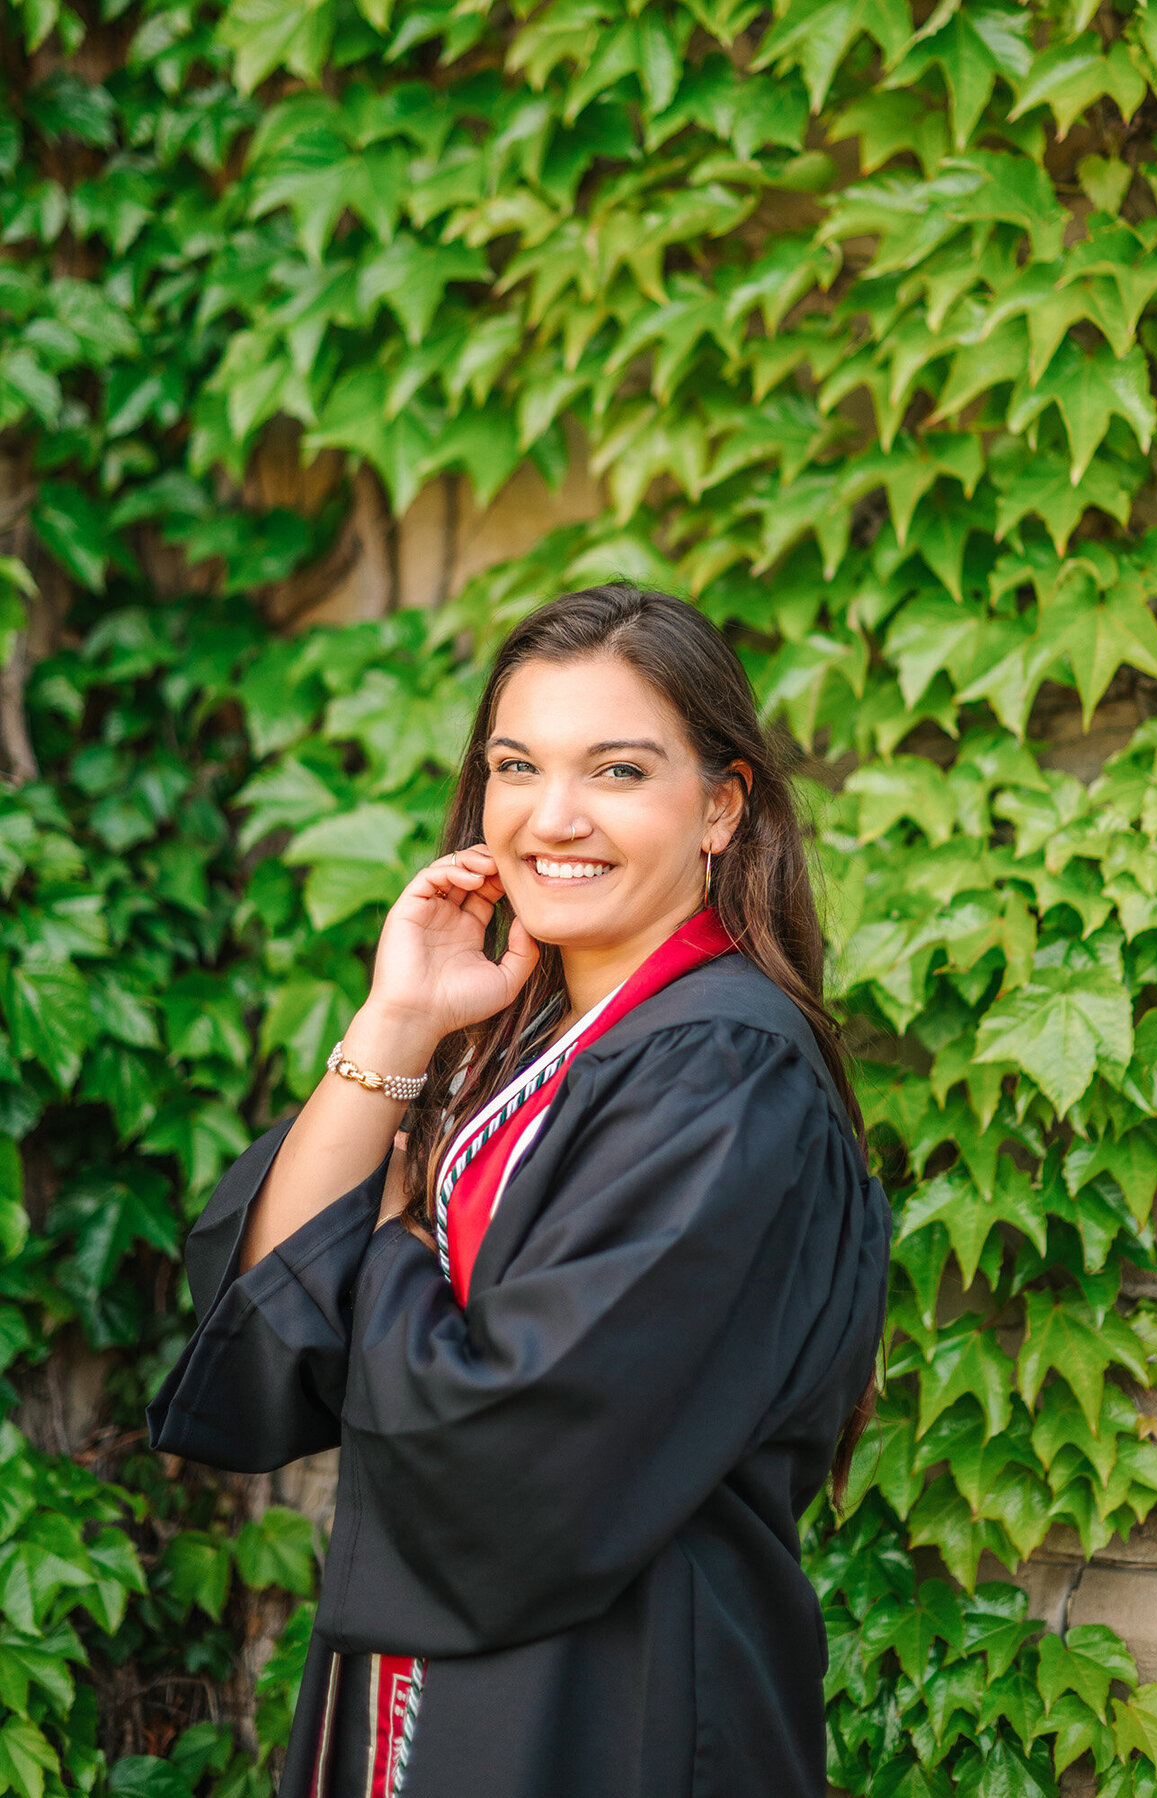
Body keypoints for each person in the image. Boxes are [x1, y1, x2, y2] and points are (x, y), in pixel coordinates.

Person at [148, 582, 891, 1798]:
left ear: (720, 805)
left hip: (618, 1706)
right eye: (514, 765)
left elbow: (515, 1441)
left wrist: (387, 1226)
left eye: (615, 771)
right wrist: (398, 1018)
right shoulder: (524, 1042)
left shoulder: (727, 1067)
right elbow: (274, 1309)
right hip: (428, 1685)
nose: (552, 817)